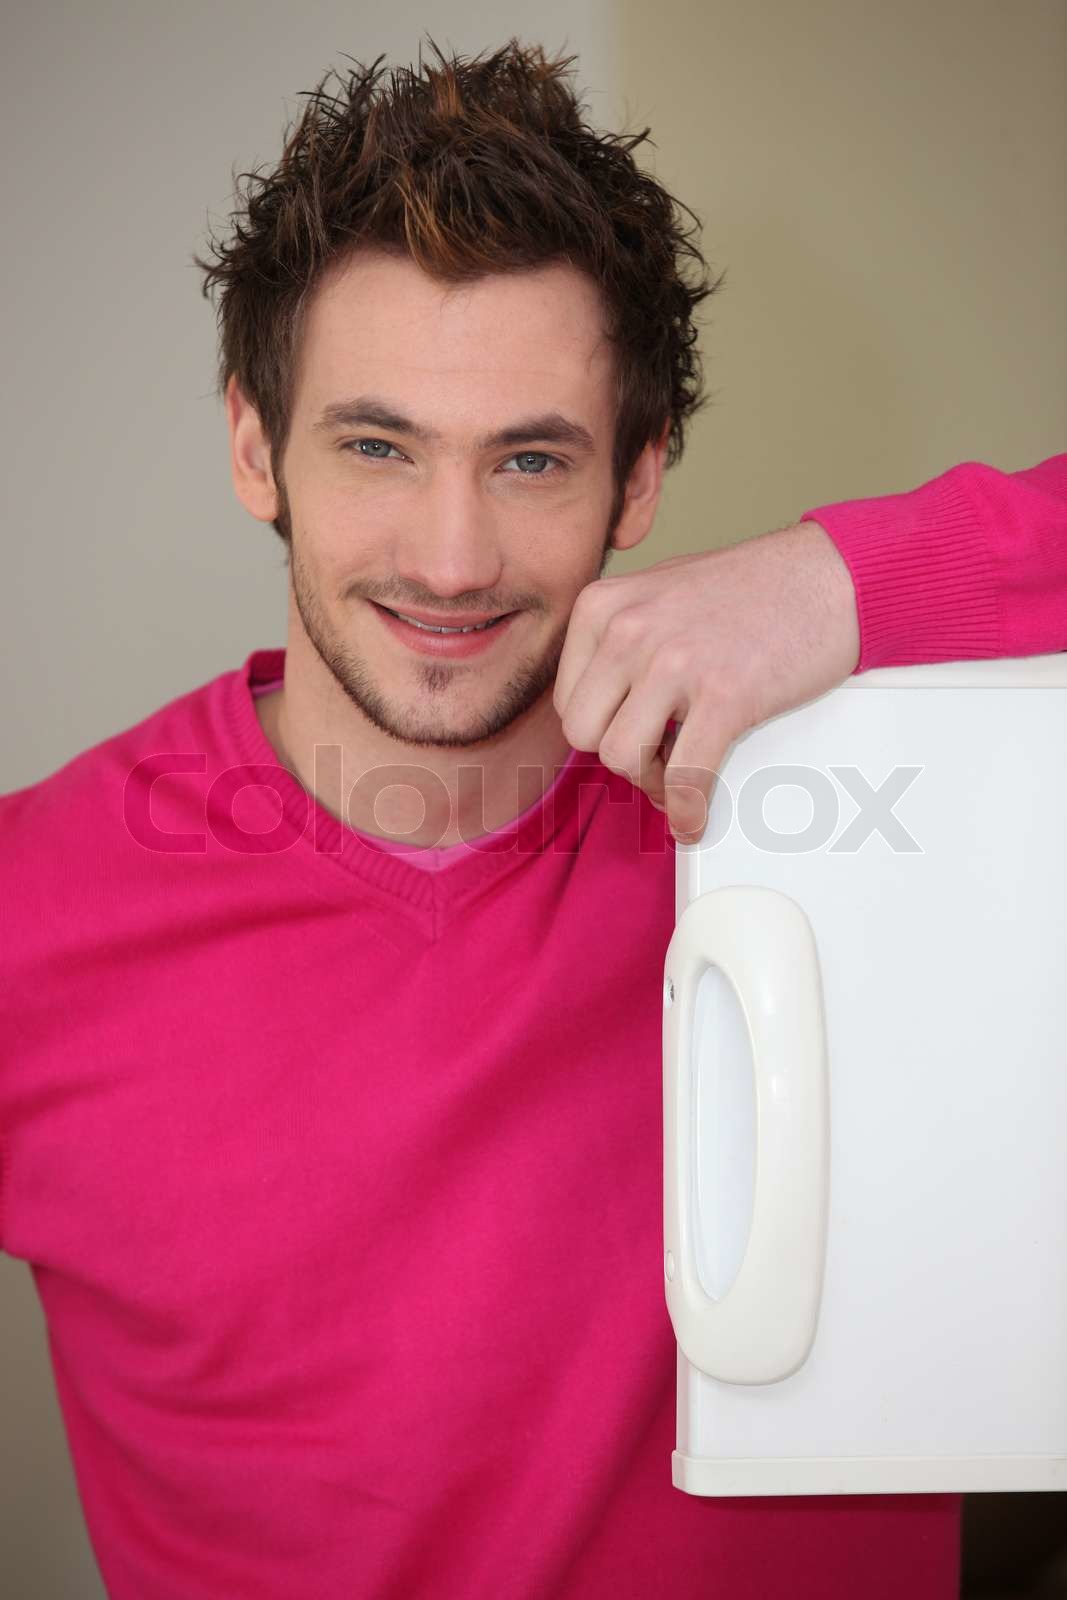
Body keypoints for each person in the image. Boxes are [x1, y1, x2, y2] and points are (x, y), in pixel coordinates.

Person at [1, 36, 1064, 1600]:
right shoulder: (34, 906)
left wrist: (849, 575)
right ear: (253, 447)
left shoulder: (835, 811)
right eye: (376, 446)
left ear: (639, 482)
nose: (451, 557)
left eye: (532, 460)